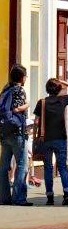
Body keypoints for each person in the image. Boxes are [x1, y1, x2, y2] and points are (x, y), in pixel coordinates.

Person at [33, 78, 68, 205]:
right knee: (63, 167)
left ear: (47, 89)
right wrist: (63, 82)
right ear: (59, 89)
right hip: (60, 139)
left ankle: (50, 197)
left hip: (46, 139)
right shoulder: (63, 100)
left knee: (48, 168)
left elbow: (36, 121)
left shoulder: (41, 102)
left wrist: (37, 136)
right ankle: (67, 194)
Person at [0, 64, 32, 206]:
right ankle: (18, 198)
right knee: (22, 165)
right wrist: (26, 106)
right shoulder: (19, 90)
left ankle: (4, 197)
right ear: (22, 77)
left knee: (4, 166)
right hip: (18, 133)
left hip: (4, 133)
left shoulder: (5, 89)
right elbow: (16, 110)